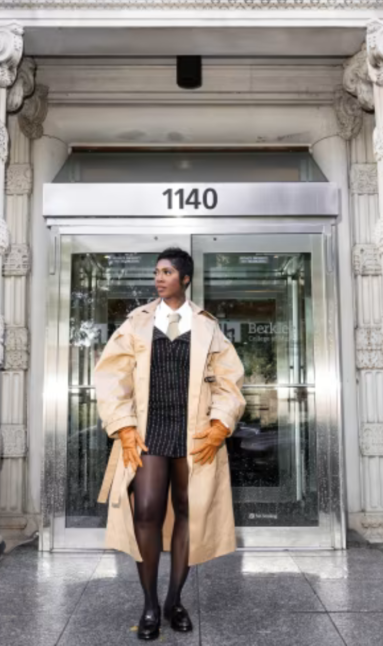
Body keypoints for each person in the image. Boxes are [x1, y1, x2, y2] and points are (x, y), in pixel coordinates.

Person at [94, 247, 246, 641]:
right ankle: (149, 604)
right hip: (149, 431)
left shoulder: (207, 327)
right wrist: (124, 427)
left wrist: (221, 424)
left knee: (188, 512)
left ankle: (174, 600)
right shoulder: (136, 323)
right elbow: (111, 378)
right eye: (156, 272)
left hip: (195, 434)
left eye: (167, 272)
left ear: (185, 278)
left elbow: (230, 382)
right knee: (145, 510)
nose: (158, 278)